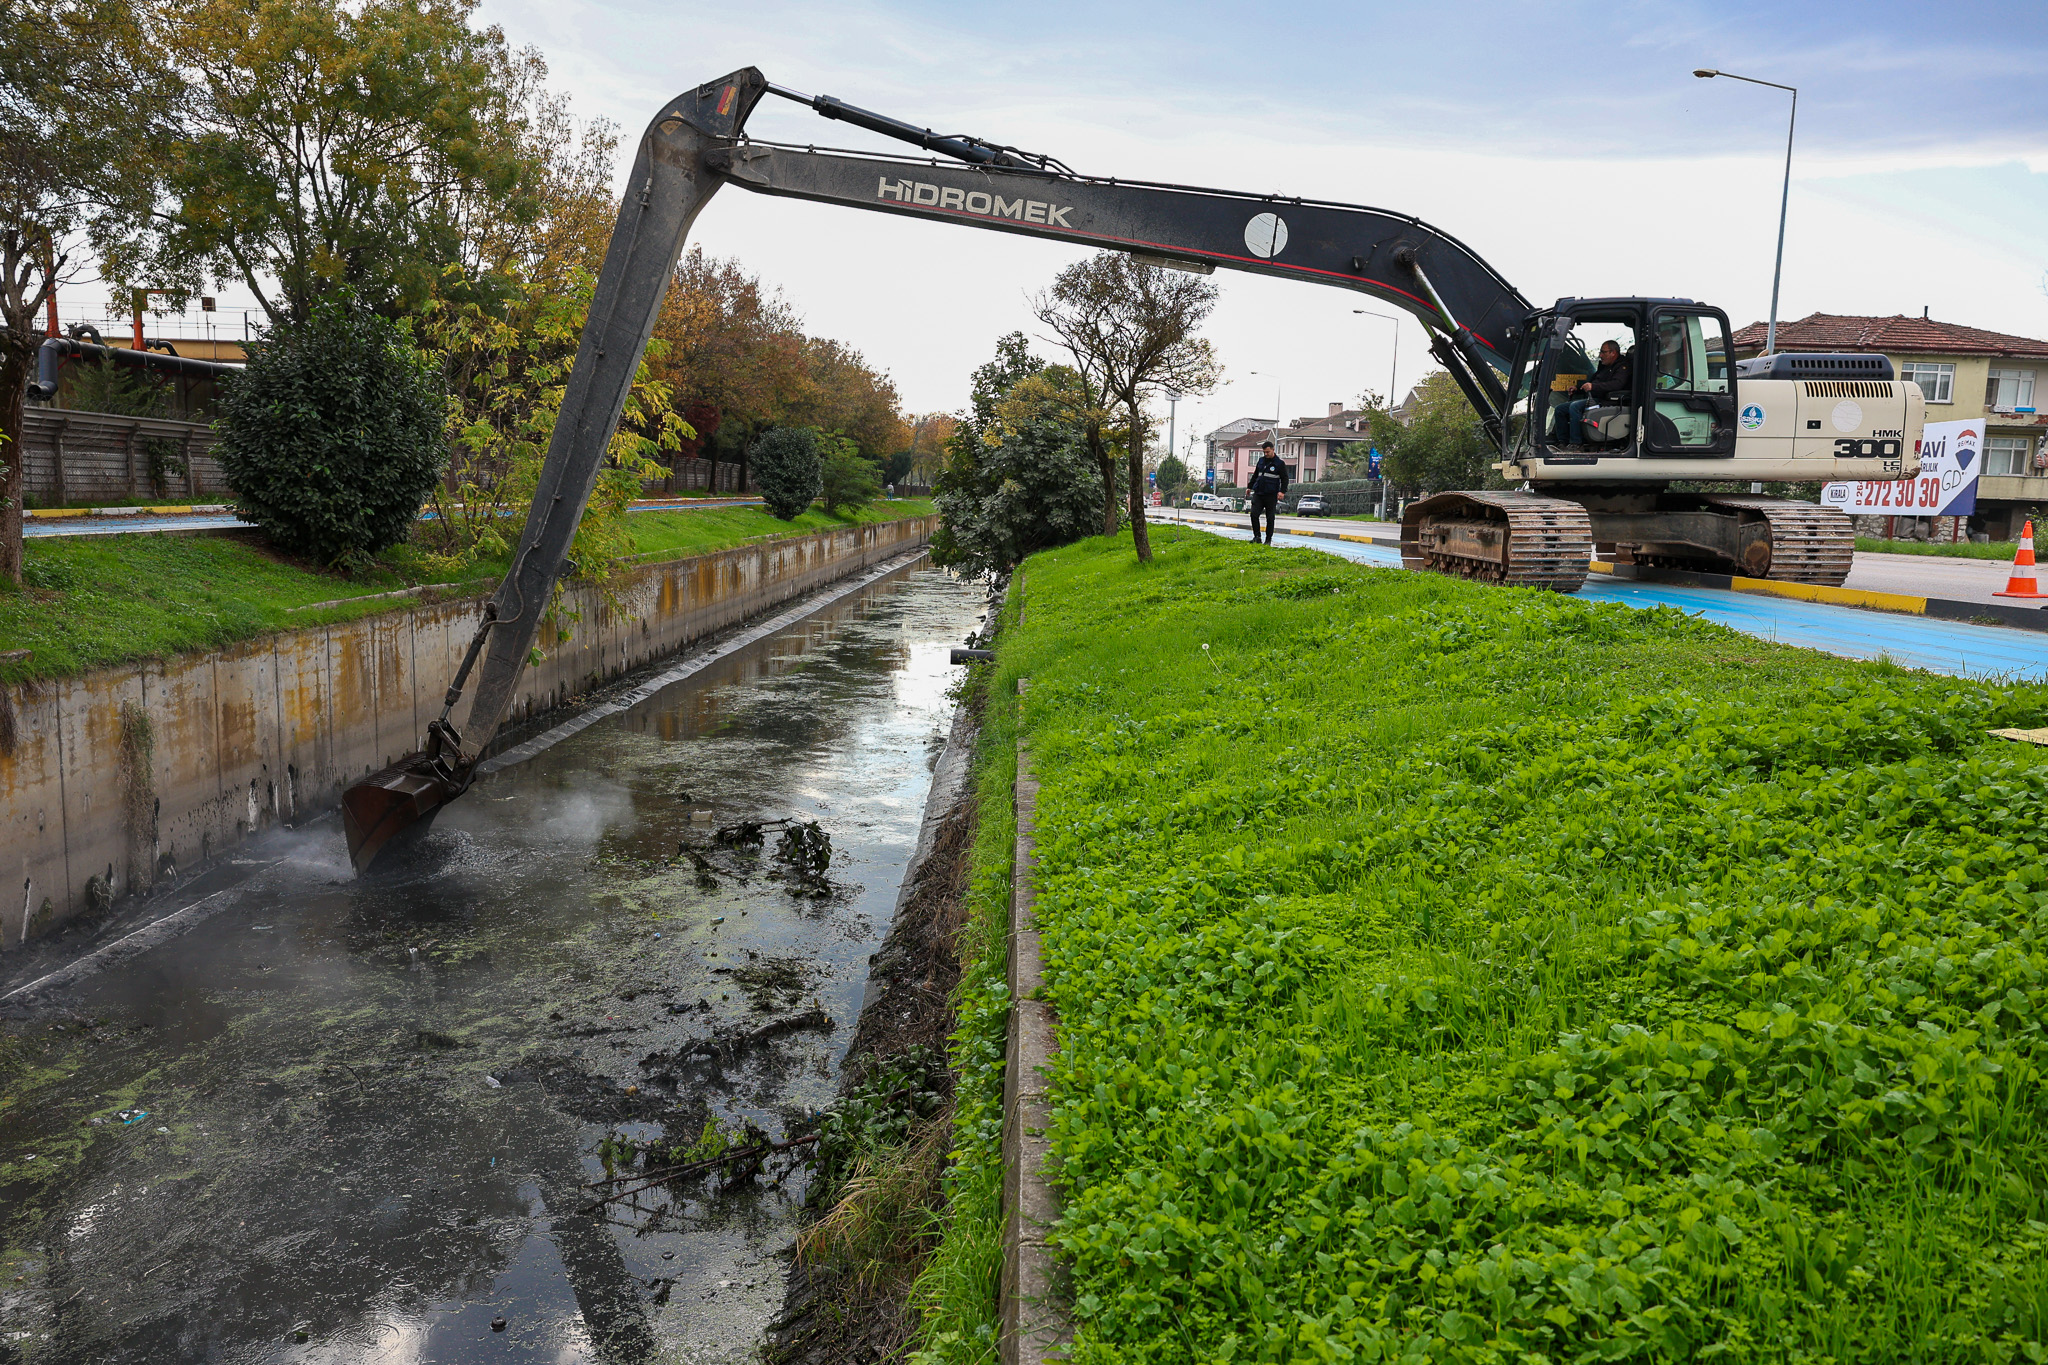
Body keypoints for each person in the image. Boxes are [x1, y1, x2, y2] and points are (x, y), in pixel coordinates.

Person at [1552, 339, 1631, 448]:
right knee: (1560, 409)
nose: (1600, 355)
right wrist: (1578, 389)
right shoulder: (1604, 366)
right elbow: (1593, 382)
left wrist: (1593, 387)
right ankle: (1562, 441)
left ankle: (1576, 443)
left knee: (1575, 407)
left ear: (1613, 353)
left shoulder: (1622, 367)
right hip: (1595, 398)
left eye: (1603, 352)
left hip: (1607, 401)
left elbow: (1617, 384)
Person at [1245, 440, 1289, 544]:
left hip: (1271, 494)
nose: (1266, 454)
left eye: (1268, 452)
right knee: (1254, 514)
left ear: (1273, 450)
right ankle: (1257, 537)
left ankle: (1268, 539)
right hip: (1259, 493)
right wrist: (1249, 487)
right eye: (1264, 452)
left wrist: (1282, 491)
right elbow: (1256, 475)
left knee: (1270, 518)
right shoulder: (1261, 461)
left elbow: (1285, 479)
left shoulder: (1279, 463)